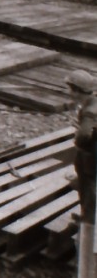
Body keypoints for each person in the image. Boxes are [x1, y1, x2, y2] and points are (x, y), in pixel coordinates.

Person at [68, 70, 97, 225]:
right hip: (91, 151)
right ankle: (87, 216)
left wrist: (78, 141)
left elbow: (84, 134)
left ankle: (88, 221)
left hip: (89, 154)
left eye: (71, 89)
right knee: (87, 185)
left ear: (78, 91)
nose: (69, 92)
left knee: (88, 186)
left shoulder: (89, 111)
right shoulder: (92, 101)